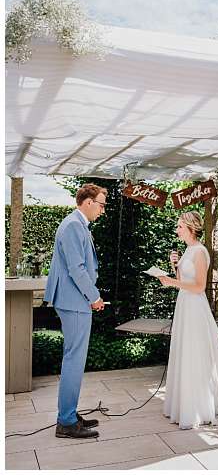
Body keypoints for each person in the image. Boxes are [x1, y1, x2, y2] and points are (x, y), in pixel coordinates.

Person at [157, 209, 218, 428]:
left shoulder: (199, 252)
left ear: (190, 228)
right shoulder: (188, 250)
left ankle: (198, 405)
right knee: (185, 351)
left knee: (195, 352)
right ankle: (184, 400)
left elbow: (199, 287)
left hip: (195, 307)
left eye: (179, 226)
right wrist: (174, 266)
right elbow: (183, 279)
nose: (177, 230)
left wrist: (170, 282)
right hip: (184, 305)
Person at [43, 183, 108, 440]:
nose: (103, 210)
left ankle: (69, 414)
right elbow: (77, 269)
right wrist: (95, 297)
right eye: (101, 204)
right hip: (74, 301)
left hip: (73, 300)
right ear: (88, 202)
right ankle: (67, 422)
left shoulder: (77, 225)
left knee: (73, 359)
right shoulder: (72, 225)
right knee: (74, 360)